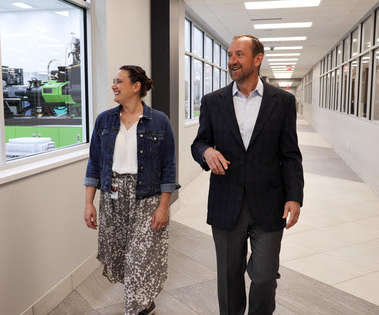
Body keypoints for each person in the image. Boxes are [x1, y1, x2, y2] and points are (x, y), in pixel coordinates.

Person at [191, 34, 304, 315]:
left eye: (239, 55)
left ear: (257, 59)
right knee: (229, 279)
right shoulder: (212, 101)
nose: (232, 61)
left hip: (269, 203)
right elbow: (198, 143)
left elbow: (290, 153)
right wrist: (206, 152)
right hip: (226, 202)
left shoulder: (283, 102)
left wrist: (294, 197)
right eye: (230, 55)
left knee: (265, 276)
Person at [84, 65, 177, 315]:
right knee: (120, 257)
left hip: (147, 198)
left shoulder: (159, 120)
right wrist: (89, 203)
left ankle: (134, 309)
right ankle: (145, 301)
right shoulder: (104, 120)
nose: (114, 86)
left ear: (136, 87)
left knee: (139, 259)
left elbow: (169, 166)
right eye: (113, 81)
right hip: (112, 197)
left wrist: (164, 207)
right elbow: (94, 162)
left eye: (119, 81)